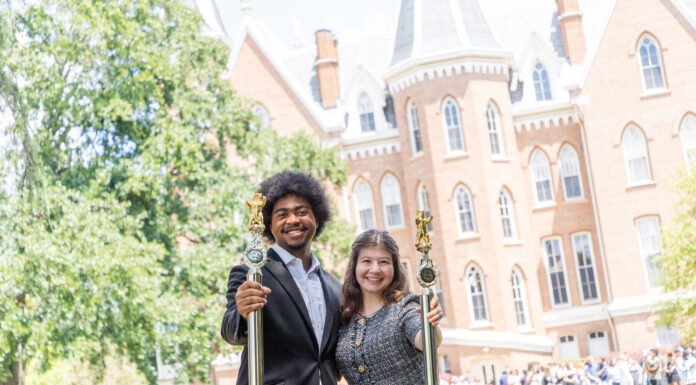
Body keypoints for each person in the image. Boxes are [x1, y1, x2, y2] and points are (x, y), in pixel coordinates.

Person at [221, 171, 342, 385]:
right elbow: (231, 333)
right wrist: (241, 312)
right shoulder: (250, 274)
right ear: (270, 224)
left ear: (316, 217)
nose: (293, 220)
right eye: (282, 214)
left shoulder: (335, 287)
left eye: (301, 212)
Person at [335, 229, 443, 384]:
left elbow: (424, 340)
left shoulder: (405, 308)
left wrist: (431, 324)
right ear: (355, 266)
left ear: (394, 268)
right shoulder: (345, 317)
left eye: (383, 262)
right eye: (367, 261)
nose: (375, 269)